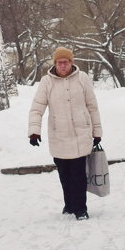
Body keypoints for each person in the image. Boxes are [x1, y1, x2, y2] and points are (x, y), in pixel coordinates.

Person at [27, 47, 103, 220]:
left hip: (80, 134)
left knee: (78, 175)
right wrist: (34, 131)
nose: (62, 65)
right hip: (58, 136)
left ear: (71, 62)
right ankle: (69, 204)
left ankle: (80, 209)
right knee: (64, 175)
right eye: (59, 62)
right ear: (55, 64)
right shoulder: (47, 82)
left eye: (66, 62)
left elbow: (92, 106)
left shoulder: (82, 79)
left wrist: (97, 131)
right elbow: (37, 108)